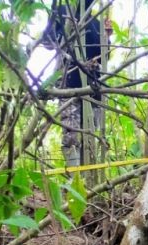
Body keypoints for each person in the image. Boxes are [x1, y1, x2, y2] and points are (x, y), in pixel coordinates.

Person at [43, 0, 104, 167]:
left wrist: (107, 37)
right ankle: (75, 181)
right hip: (69, 85)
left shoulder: (97, 22)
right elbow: (47, 42)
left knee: (90, 135)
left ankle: (86, 181)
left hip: (93, 87)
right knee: (71, 136)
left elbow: (104, 57)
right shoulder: (63, 10)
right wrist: (57, 25)